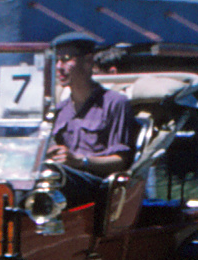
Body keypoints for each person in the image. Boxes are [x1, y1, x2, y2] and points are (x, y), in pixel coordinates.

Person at [46, 31, 133, 209]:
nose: (59, 67)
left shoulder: (115, 102)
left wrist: (80, 161)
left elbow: (121, 160)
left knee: (51, 174)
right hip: (64, 182)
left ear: (88, 61)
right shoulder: (60, 110)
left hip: (99, 187)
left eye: (66, 59)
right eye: (56, 60)